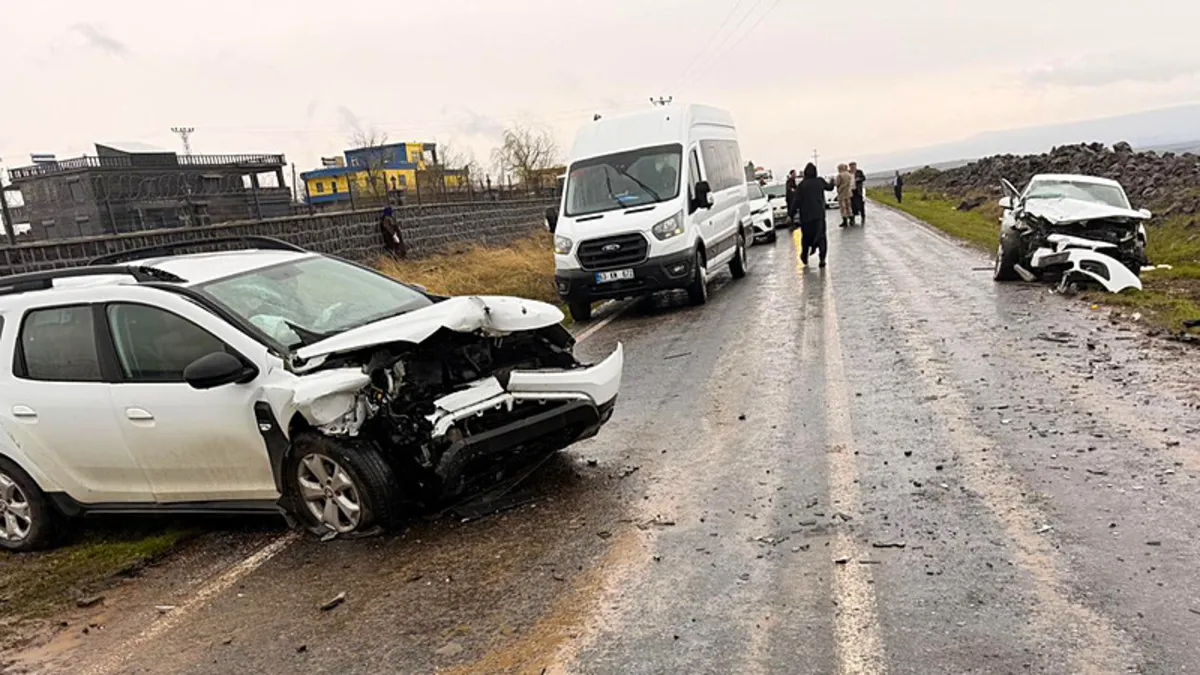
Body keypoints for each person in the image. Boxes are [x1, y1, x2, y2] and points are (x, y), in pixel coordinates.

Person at [796, 163, 835, 268]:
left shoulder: (802, 185)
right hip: (819, 215)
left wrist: (791, 214)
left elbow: (797, 201)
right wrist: (832, 182)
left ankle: (804, 255)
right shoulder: (820, 181)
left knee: (806, 238)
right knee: (821, 237)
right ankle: (822, 258)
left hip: (806, 217)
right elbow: (829, 187)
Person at [835, 163, 853, 228]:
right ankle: (851, 219)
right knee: (849, 206)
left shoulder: (839, 175)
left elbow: (837, 183)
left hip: (841, 193)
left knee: (843, 207)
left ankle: (845, 221)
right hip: (848, 192)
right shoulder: (849, 175)